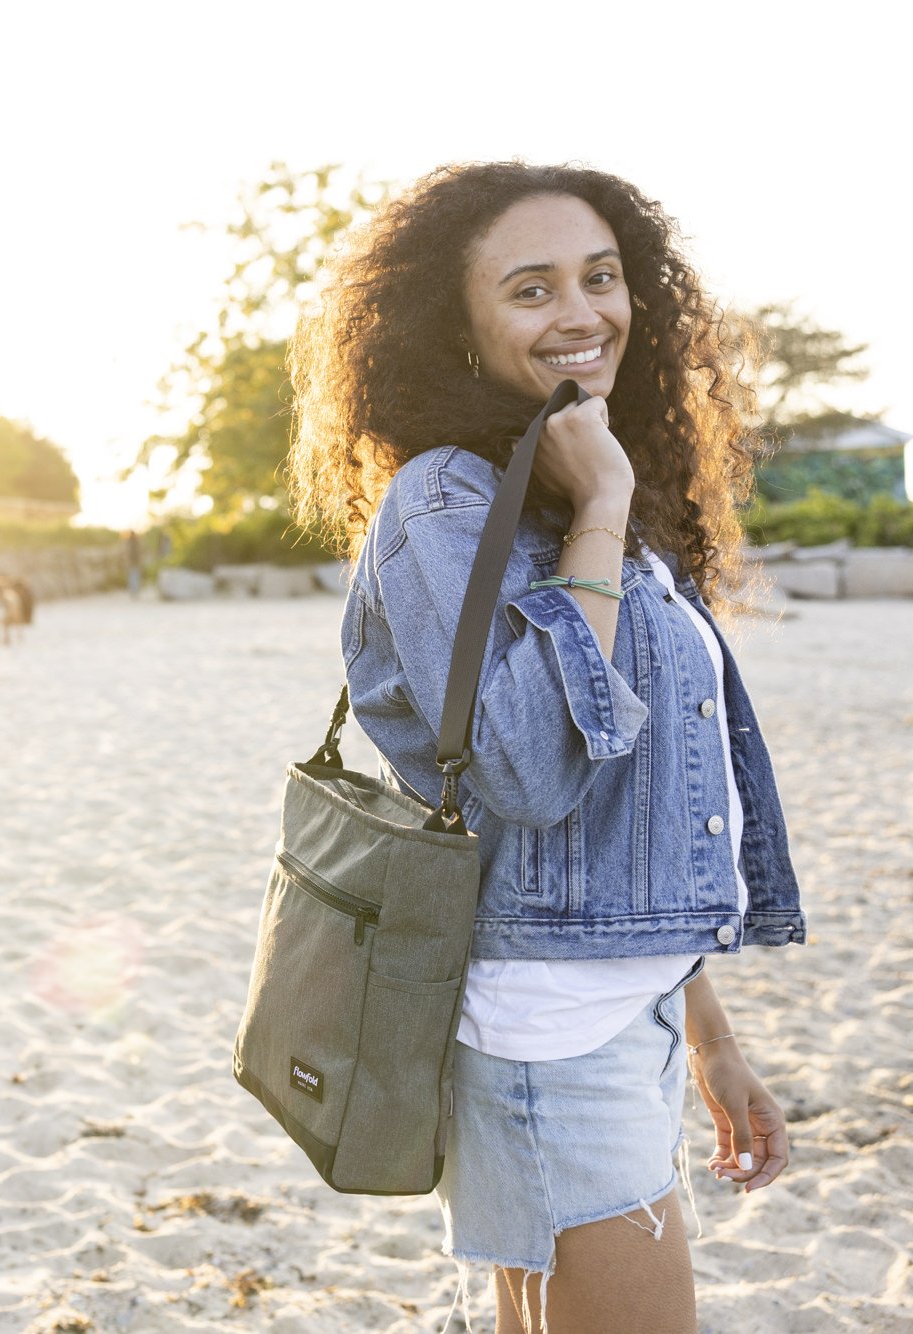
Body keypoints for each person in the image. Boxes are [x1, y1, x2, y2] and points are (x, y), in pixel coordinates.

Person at [285, 162, 806, 1334]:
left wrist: (712, 1043)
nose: (580, 314)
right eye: (530, 289)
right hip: (545, 1040)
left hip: (625, 1012)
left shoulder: (586, 488)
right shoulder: (444, 503)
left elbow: (635, 817)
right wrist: (598, 510)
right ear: (455, 326)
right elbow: (525, 768)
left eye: (600, 277)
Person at [123, 529, 143, 597]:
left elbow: (126, 552)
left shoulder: (129, 542)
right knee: (134, 576)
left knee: (133, 576)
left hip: (133, 562)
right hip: (134, 562)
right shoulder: (136, 542)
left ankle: (133, 591)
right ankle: (134, 591)